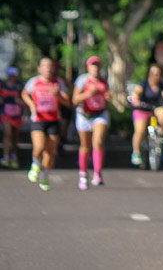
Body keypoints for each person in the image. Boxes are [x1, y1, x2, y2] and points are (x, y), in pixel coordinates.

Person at [22, 58, 71, 190]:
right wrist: (31, 104)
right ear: (40, 68)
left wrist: (58, 96)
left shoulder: (58, 82)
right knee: (39, 147)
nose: (48, 69)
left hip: (53, 121)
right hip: (38, 120)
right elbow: (25, 94)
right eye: (45, 66)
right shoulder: (34, 82)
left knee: (50, 152)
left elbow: (67, 102)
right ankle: (35, 164)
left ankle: (45, 176)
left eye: (50, 66)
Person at [72, 55, 112, 190]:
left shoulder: (104, 80)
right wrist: (88, 93)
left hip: (100, 114)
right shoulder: (83, 80)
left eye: (97, 65)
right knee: (85, 145)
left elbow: (108, 95)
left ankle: (97, 173)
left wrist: (108, 97)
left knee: (98, 141)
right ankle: (83, 174)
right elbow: (75, 99)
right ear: (88, 67)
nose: (95, 68)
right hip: (84, 115)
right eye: (92, 65)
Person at [130, 64, 163, 166]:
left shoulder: (162, 85)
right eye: (153, 74)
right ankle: (136, 152)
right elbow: (137, 92)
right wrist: (135, 98)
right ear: (149, 74)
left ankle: (160, 133)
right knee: (140, 131)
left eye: (158, 74)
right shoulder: (143, 84)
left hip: (154, 110)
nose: (155, 76)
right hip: (142, 109)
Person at [1, 66, 26, 168]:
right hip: (5, 113)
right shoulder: (2, 85)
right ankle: (6, 157)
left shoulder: (19, 86)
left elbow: (24, 101)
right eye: (10, 76)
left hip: (17, 114)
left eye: (14, 76)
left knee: (15, 137)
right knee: (8, 134)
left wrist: (24, 111)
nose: (12, 77)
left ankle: (14, 157)